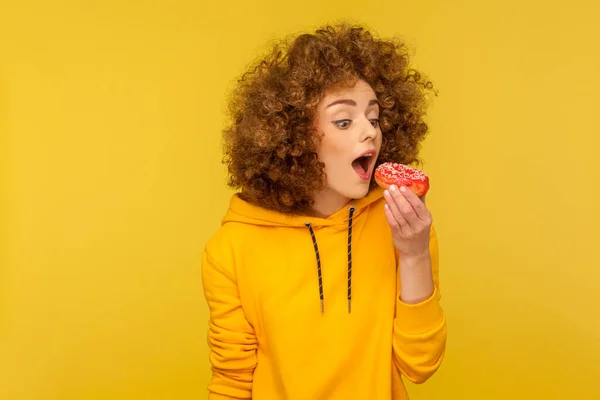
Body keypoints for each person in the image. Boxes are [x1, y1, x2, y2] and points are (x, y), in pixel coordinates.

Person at [201, 23, 447, 400]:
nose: (370, 132)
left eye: (374, 117)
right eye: (344, 121)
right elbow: (232, 382)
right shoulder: (231, 249)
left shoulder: (403, 227)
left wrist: (414, 256)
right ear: (294, 137)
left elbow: (421, 365)